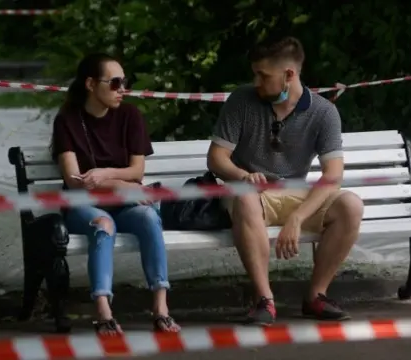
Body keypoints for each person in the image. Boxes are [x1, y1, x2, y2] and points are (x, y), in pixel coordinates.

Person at [207, 37, 364, 325]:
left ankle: (316, 295)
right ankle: (264, 299)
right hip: (250, 193)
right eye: (255, 73)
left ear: (289, 75)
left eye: (263, 75)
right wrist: (243, 175)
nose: (256, 81)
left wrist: (297, 219)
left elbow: (333, 175)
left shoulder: (324, 112)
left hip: (295, 193)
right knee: (243, 196)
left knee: (351, 205)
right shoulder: (241, 101)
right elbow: (216, 158)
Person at [50, 53, 180, 334]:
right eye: (115, 82)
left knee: (148, 218)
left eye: (125, 82)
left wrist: (106, 176)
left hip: (123, 202)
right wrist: (121, 185)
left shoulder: (131, 116)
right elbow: (74, 180)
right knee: (103, 225)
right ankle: (103, 310)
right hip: (82, 204)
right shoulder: (67, 121)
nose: (123, 89)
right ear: (90, 84)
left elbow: (137, 171)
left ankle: (160, 306)